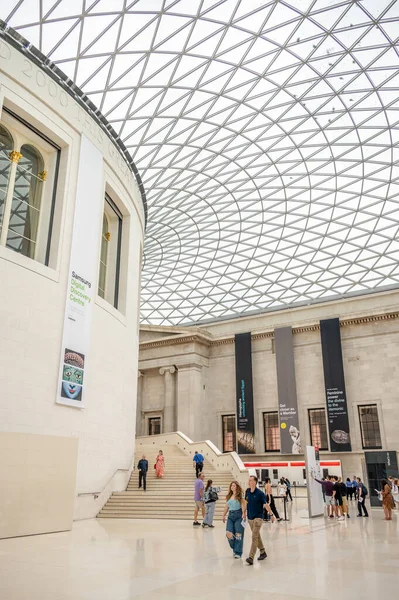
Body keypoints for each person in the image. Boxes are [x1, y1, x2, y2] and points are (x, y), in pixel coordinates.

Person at [244, 475, 269, 565]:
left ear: (254, 482)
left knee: (254, 537)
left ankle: (251, 557)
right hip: (250, 517)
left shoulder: (260, 493)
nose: (249, 481)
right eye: (249, 480)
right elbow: (246, 502)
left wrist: (272, 514)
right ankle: (263, 552)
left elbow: (265, 504)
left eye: (250, 480)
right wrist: (244, 513)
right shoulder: (247, 491)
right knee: (257, 535)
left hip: (258, 517)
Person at [222, 481, 246, 558]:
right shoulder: (229, 496)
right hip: (230, 516)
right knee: (228, 533)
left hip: (238, 515)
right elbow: (226, 506)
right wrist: (223, 515)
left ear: (237, 487)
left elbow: (243, 504)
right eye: (231, 486)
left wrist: (243, 513)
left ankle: (238, 552)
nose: (232, 487)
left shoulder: (240, 495)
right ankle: (235, 547)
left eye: (234, 486)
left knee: (238, 534)